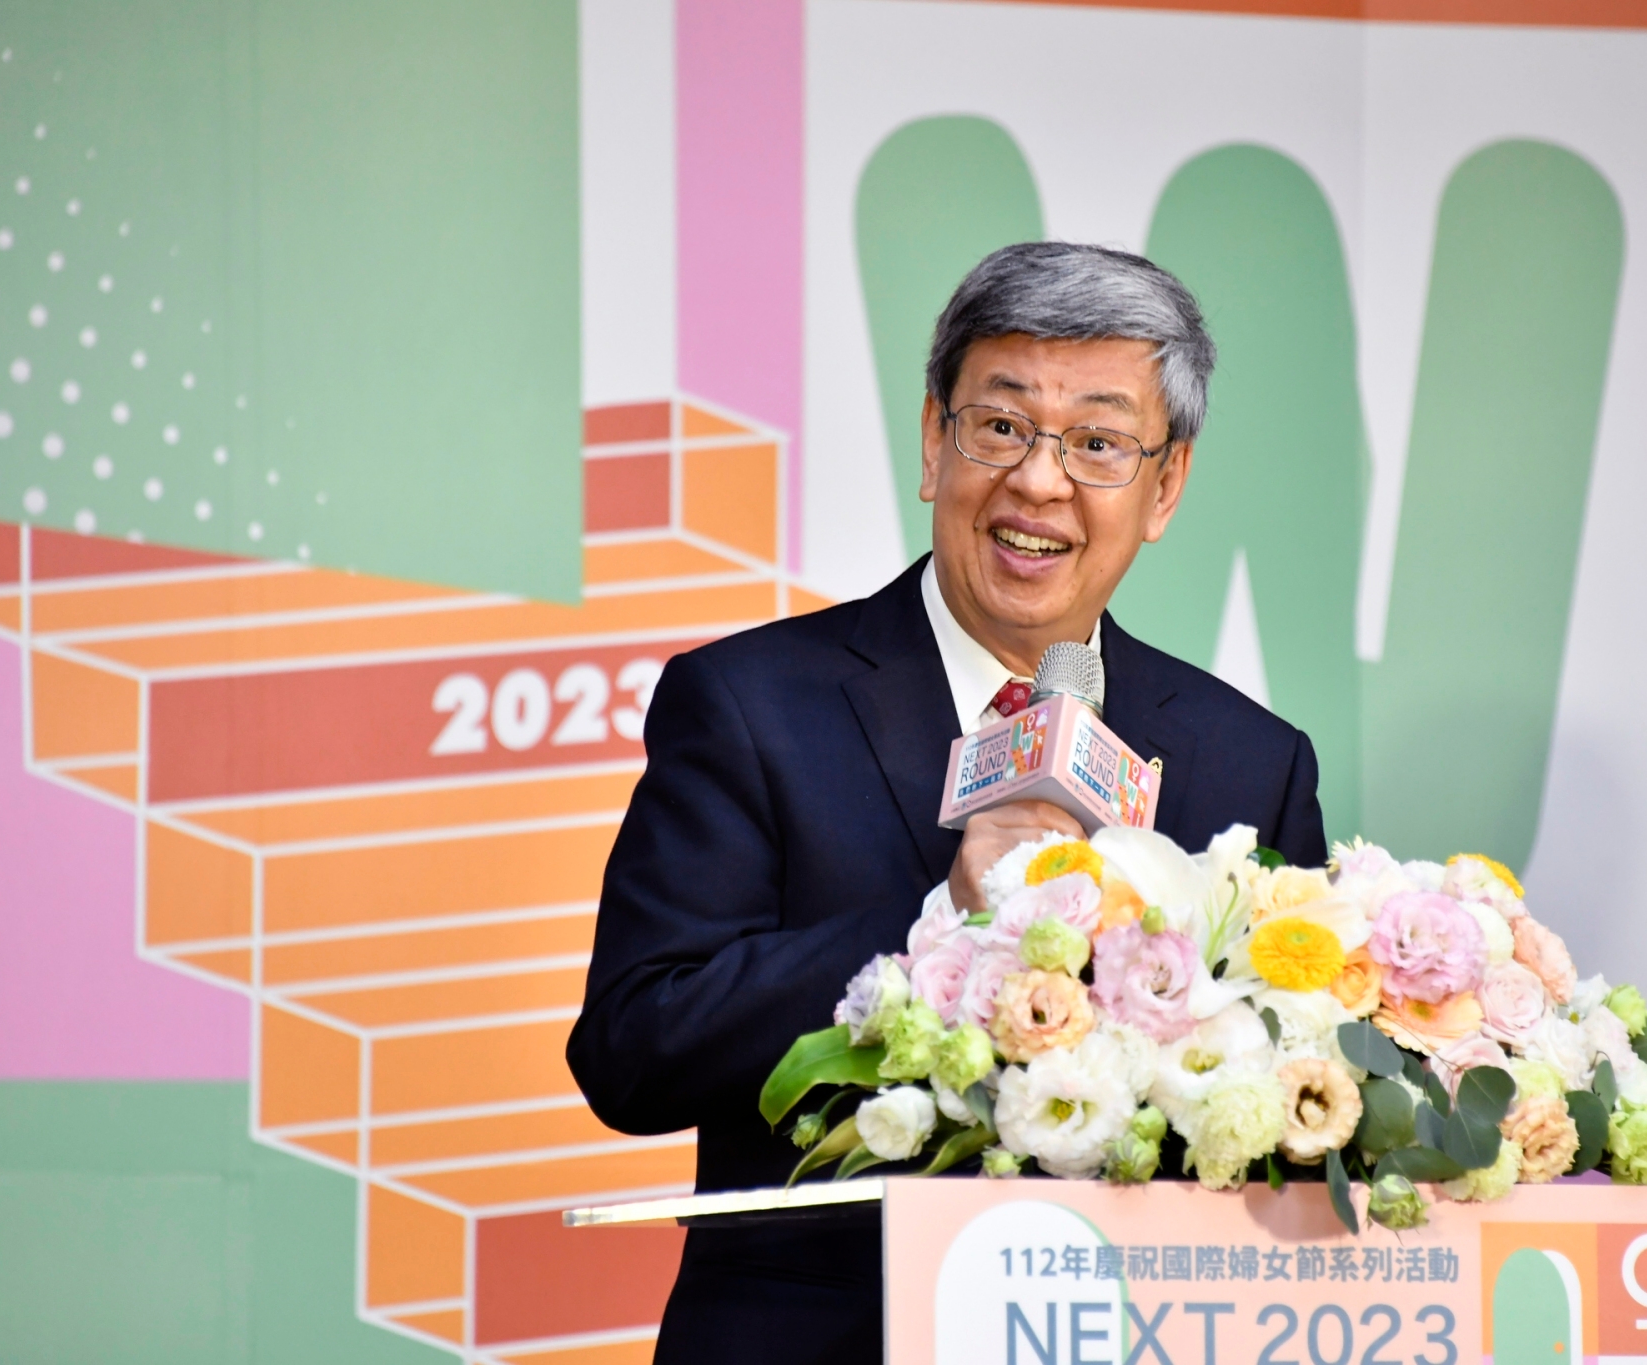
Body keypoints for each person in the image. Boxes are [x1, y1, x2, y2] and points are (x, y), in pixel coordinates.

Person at [568, 242, 1326, 1362]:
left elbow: (1297, 1101)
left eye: (1097, 443)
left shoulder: (1248, 762)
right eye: (1001, 426)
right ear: (934, 441)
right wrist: (938, 917)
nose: (1039, 482)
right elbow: (633, 1050)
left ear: (1164, 487)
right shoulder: (748, 705)